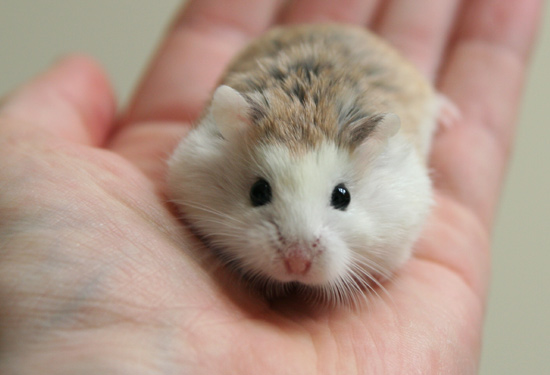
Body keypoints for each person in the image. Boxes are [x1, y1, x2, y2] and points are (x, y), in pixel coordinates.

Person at [0, 0, 541, 373]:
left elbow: (412, 204)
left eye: (340, 197)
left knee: (414, 98)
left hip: (373, 68)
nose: (299, 253)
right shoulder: (223, 136)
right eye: (261, 192)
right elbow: (187, 169)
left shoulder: (384, 150)